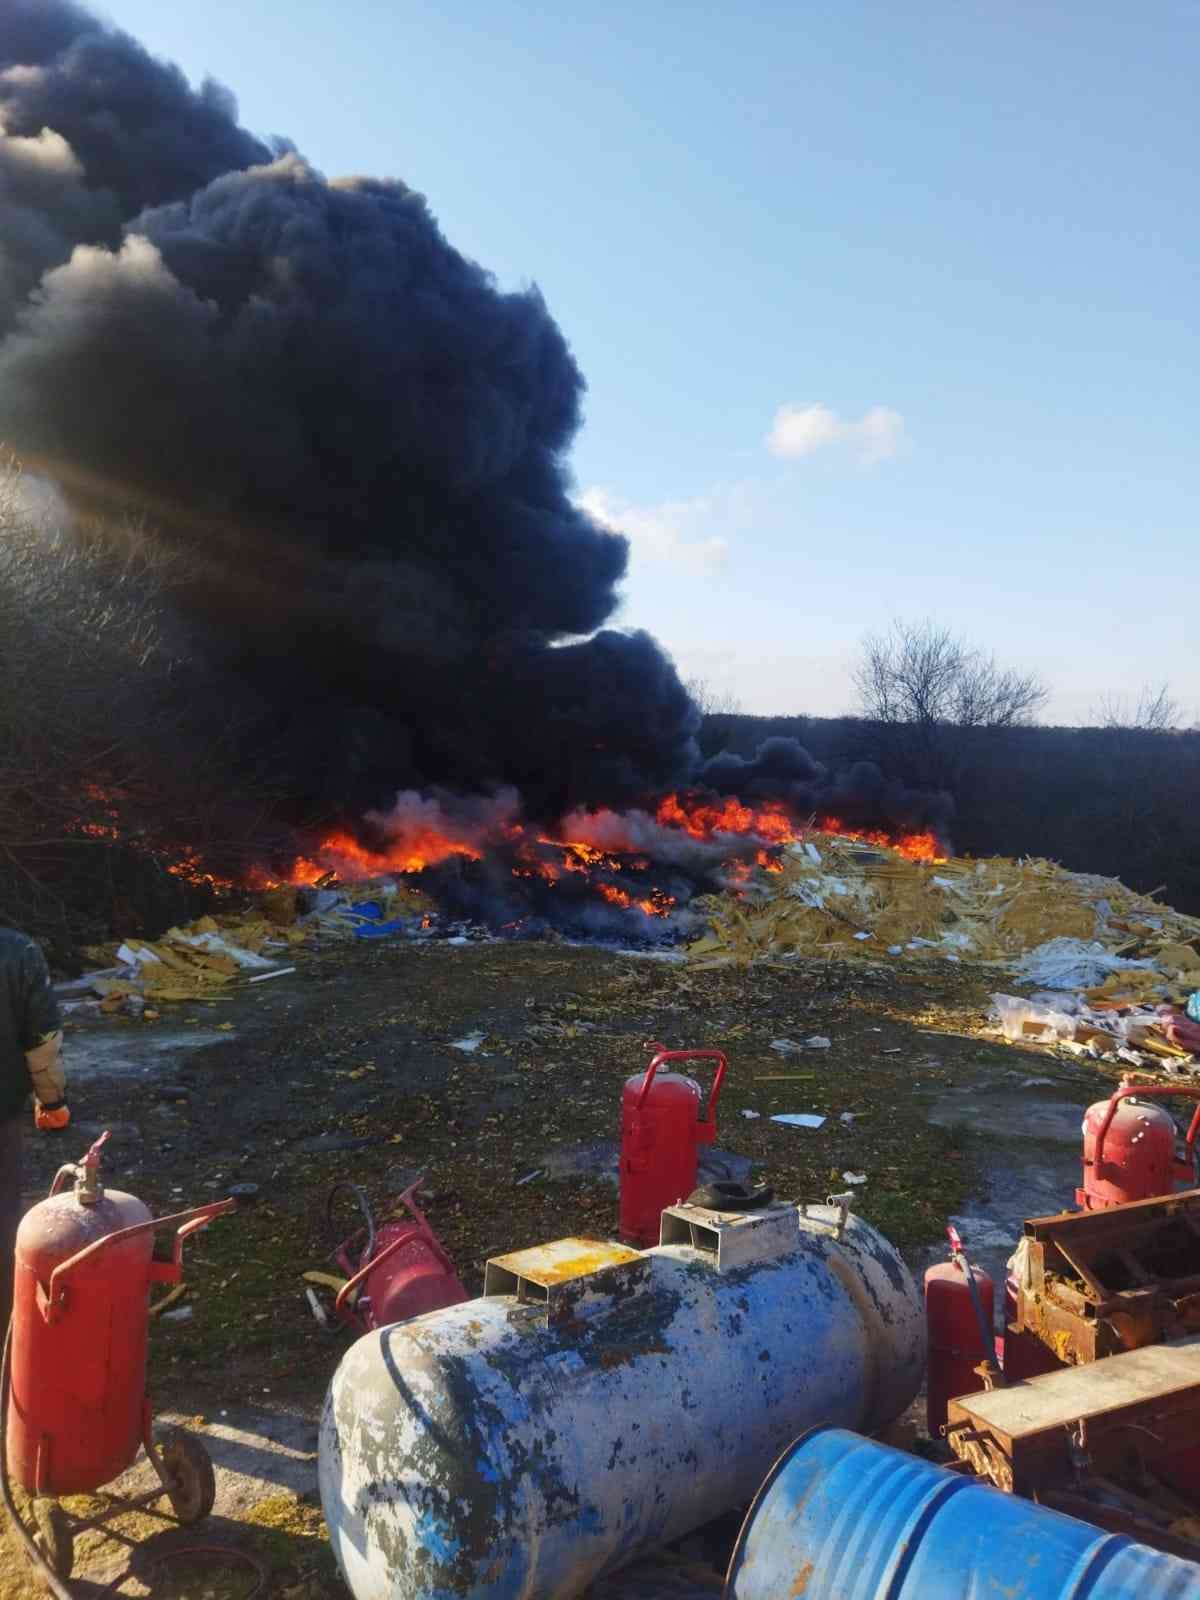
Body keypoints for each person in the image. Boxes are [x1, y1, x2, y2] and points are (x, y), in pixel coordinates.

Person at [1, 927, 68, 1340]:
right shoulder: (17, 949)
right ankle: (8, 1327)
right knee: (4, 1214)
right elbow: (41, 1040)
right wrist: (53, 1100)